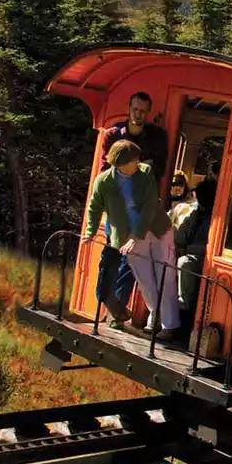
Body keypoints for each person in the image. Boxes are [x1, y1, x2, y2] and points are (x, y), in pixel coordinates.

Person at [84, 140, 181, 340]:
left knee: (165, 273)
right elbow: (94, 207)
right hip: (128, 237)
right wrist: (90, 231)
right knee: (145, 278)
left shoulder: (145, 173)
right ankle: (155, 315)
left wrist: (137, 236)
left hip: (157, 229)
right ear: (121, 162)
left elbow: (149, 207)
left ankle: (170, 325)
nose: (138, 162)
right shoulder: (103, 181)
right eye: (134, 160)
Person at [95, 92, 169, 320]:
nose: (138, 114)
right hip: (117, 207)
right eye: (135, 110)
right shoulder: (113, 134)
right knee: (110, 255)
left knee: (131, 259)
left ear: (148, 112)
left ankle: (116, 311)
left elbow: (159, 171)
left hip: (141, 208)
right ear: (129, 108)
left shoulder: (156, 137)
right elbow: (104, 171)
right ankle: (105, 300)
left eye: (143, 111)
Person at [173, 171, 217, 318]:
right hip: (188, 251)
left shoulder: (215, 219)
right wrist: (178, 245)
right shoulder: (195, 213)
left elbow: (213, 247)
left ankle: (183, 307)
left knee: (185, 262)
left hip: (203, 258)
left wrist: (187, 249)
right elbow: (181, 234)